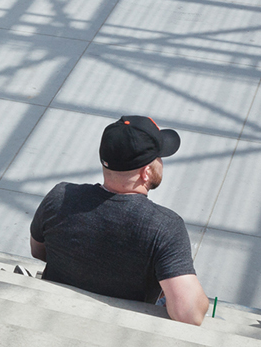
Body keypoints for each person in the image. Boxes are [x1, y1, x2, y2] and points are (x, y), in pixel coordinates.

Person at [30, 116, 210, 327]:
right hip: (116, 328)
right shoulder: (165, 227)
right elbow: (190, 314)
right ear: (146, 172)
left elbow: (38, 252)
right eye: (159, 157)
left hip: (48, 318)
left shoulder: (59, 196)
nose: (161, 162)